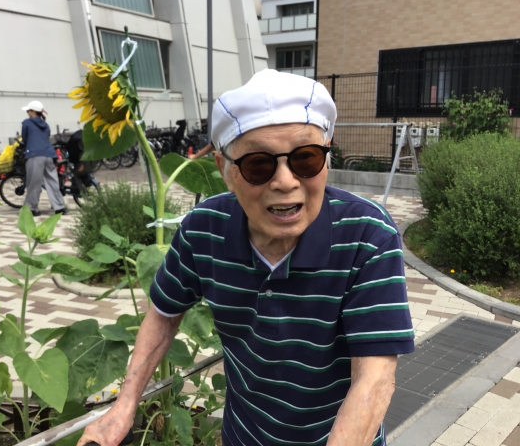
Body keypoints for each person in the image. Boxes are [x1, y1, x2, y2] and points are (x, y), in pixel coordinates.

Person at [76, 70, 414, 446]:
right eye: (258, 164)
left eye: (306, 158)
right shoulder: (204, 228)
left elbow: (374, 377)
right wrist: (124, 407)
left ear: (327, 157)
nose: (285, 181)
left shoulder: (367, 234)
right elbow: (163, 314)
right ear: (225, 170)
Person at [20, 101, 66, 216]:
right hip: (49, 155)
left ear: (33, 111)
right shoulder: (45, 124)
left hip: (35, 155)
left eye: (28, 111)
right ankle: (59, 207)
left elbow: (25, 139)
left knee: (34, 183)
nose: (27, 113)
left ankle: (31, 209)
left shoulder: (27, 123)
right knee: (52, 182)